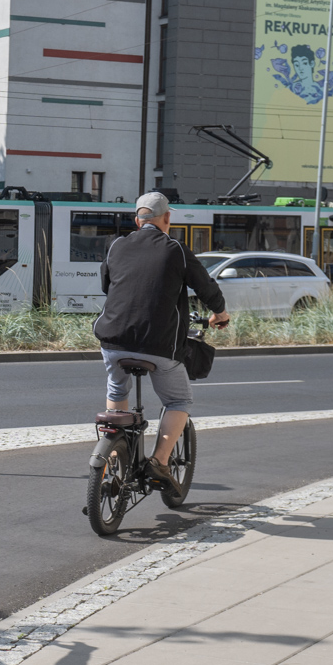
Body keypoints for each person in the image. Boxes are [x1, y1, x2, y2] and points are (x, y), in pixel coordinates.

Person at [93, 191, 229, 490]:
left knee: (117, 386)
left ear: (137, 220)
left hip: (112, 338)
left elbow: (106, 284)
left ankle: (116, 455)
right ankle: (160, 461)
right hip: (159, 345)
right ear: (167, 218)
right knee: (178, 400)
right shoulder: (175, 249)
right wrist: (219, 312)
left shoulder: (117, 245)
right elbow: (205, 287)